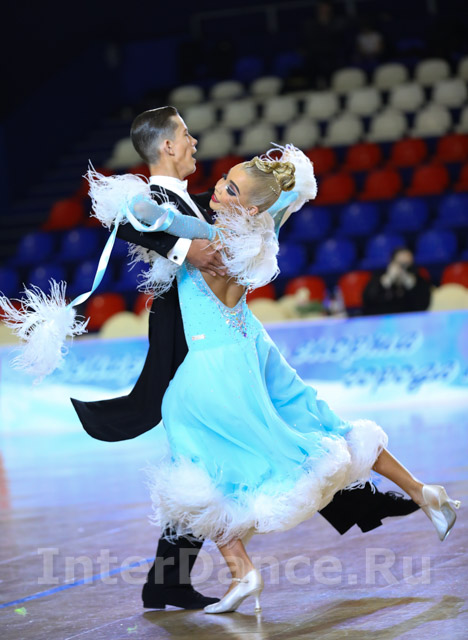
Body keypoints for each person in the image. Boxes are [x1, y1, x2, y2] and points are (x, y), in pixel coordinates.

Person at [71, 109, 421, 611]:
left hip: (221, 337)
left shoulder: (198, 199)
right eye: (185, 134)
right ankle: (357, 502)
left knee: (216, 455)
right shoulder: (153, 198)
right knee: (220, 453)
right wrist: (186, 249)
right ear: (167, 146)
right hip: (187, 342)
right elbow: (130, 222)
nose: (194, 140)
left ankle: (171, 580)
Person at [362, 247, 431, 316]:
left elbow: (423, 306)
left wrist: (412, 286)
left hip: (409, 318)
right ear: (391, 263)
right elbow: (368, 302)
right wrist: (386, 282)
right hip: (381, 318)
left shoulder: (419, 281)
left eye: (407, 265)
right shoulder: (378, 278)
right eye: (399, 264)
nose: (402, 269)